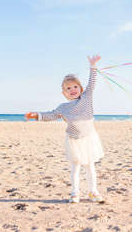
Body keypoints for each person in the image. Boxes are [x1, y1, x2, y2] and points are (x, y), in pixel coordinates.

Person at [25, 55, 105, 203]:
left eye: (75, 86)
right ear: (64, 93)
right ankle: (75, 193)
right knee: (75, 167)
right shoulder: (63, 107)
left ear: (80, 88)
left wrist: (93, 66)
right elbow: (51, 115)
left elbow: (92, 83)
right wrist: (36, 115)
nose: (72, 89)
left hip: (89, 138)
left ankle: (93, 191)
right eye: (68, 88)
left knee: (90, 167)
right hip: (74, 140)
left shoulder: (86, 98)